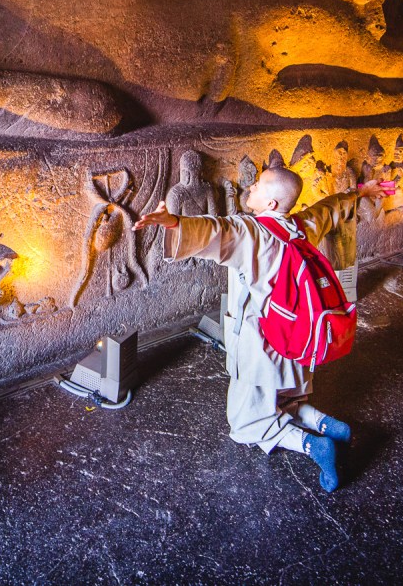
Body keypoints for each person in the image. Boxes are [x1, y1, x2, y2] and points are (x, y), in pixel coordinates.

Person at [134, 166, 389, 491]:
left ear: (270, 204)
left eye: (258, 185)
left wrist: (173, 223)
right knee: (282, 399)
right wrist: (361, 193)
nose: (250, 187)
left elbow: (217, 230)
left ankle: (314, 446)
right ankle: (325, 424)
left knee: (245, 422)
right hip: (298, 335)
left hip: (262, 342)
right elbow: (330, 208)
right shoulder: (299, 226)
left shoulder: (253, 231)